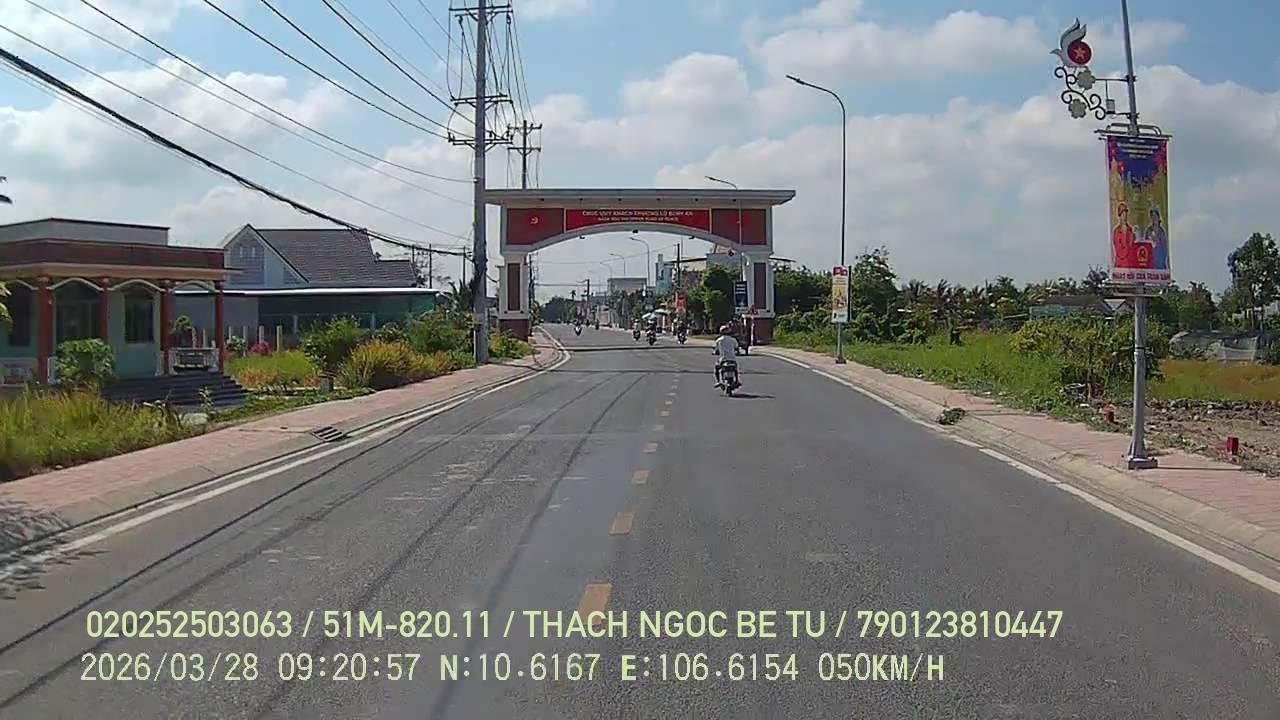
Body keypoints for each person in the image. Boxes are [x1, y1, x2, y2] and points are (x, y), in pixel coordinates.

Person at [1111, 202, 1137, 268]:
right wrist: (1129, 236)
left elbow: (1134, 249)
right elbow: (1121, 253)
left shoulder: (1130, 229)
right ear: (1119, 215)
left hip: (1131, 267)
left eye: (1125, 212)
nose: (1124, 215)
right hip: (1121, 267)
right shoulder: (1116, 231)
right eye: (1122, 213)